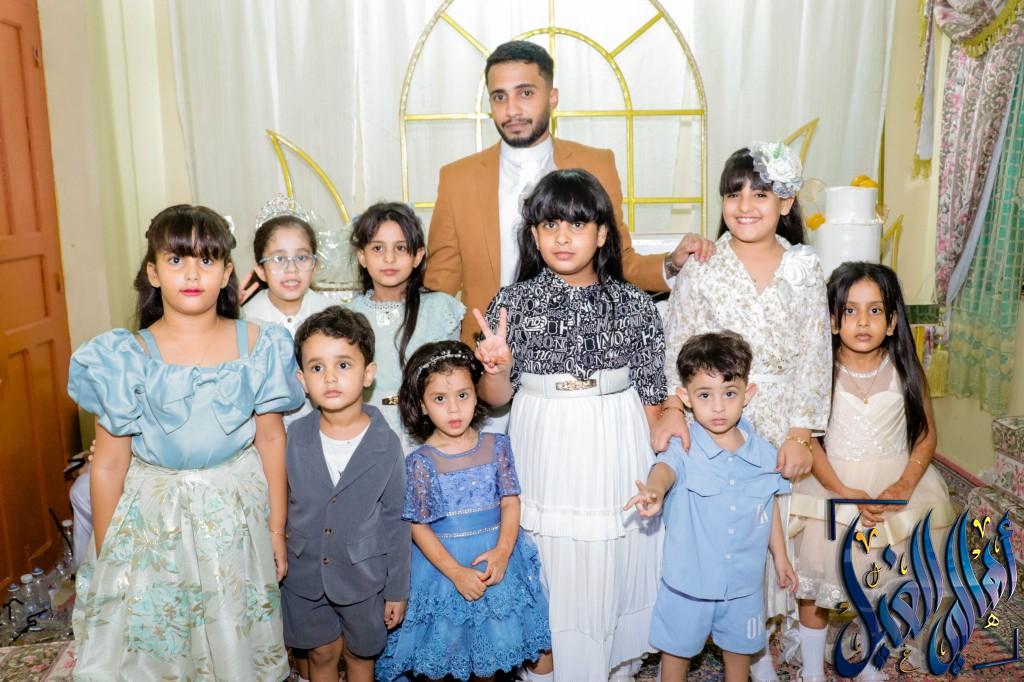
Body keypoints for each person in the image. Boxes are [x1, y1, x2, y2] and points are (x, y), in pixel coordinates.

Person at [67, 205, 304, 680]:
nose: (192, 274)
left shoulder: (260, 344)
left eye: (206, 259)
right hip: (155, 526)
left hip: (234, 519)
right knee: (161, 647)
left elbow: (271, 440)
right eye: (176, 260)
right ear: (153, 272)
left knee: (234, 636)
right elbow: (109, 466)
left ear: (227, 273)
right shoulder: (124, 357)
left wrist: (276, 530)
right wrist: (111, 554)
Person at [473, 169, 666, 680]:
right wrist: (496, 367)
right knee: (547, 555)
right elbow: (495, 400)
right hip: (542, 437)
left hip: (614, 437)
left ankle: (609, 667)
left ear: (602, 234)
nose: (563, 237)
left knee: (610, 554)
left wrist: (665, 468)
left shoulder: (636, 305)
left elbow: (653, 399)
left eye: (577, 225)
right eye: (550, 225)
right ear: (534, 235)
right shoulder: (511, 303)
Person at [654, 142, 829, 680]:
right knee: (724, 529)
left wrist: (800, 432)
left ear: (786, 202)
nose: (746, 205)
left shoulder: (804, 267)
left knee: (777, 532)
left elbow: (815, 351)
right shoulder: (704, 266)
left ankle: (761, 643)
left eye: (761, 194)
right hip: (717, 420)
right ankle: (747, 652)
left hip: (781, 418)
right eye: (734, 195)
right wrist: (675, 406)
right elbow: (678, 342)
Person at [424, 39, 713, 345]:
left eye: (525, 93)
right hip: (487, 353)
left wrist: (672, 263)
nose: (512, 110)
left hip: (580, 348)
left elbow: (619, 261)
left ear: (552, 97)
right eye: (499, 97)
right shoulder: (457, 178)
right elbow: (440, 286)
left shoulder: (596, 165)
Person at [789, 262, 955, 682]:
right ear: (832, 321)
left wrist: (904, 484)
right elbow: (809, 440)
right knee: (818, 583)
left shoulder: (906, 370)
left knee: (881, 578)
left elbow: (926, 436)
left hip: (895, 489)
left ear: (893, 320)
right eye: (850, 311)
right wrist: (842, 490)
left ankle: (867, 658)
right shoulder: (818, 373)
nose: (862, 321)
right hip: (832, 486)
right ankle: (812, 669)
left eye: (875, 310)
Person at [625, 331, 797, 682]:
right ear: (685, 397)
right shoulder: (683, 448)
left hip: (743, 586)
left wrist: (781, 559)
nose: (718, 407)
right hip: (688, 584)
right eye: (705, 395)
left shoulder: (765, 454)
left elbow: (768, 509)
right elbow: (664, 470)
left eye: (729, 393)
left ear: (748, 394)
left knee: (739, 655)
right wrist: (654, 491)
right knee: (676, 655)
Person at [375, 341, 551, 680]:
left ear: (476, 394)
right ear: (422, 405)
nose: (454, 409)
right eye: (440, 399)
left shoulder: (497, 445)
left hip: (496, 560)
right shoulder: (420, 462)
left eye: (462, 395)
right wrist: (455, 572)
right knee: (451, 653)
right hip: (444, 570)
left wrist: (503, 552)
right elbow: (418, 526)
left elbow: (510, 501)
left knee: (494, 651)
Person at [280, 306, 410, 682]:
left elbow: (397, 520)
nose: (331, 377)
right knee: (321, 654)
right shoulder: (293, 438)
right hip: (305, 576)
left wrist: (397, 589)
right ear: (303, 379)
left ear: (368, 373)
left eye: (343, 365)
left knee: (360, 656)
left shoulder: (386, 443)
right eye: (317, 368)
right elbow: (280, 506)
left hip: (364, 579)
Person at [346, 202, 464, 451]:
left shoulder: (439, 309)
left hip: (429, 431)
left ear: (417, 256)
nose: (389, 258)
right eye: (377, 248)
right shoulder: (349, 315)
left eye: (400, 248)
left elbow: (454, 379)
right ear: (362, 256)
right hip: (366, 431)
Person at [242, 194, 333, 335]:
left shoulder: (333, 316)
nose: (292, 269)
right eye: (279, 259)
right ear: (261, 270)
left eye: (301, 258)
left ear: (314, 265)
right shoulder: (245, 319)